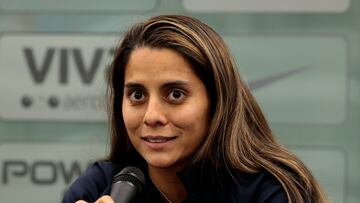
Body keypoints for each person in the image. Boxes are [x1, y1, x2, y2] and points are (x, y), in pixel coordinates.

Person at [62, 15, 327, 203]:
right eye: (137, 94)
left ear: (217, 101)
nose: (152, 115)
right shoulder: (98, 189)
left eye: (175, 94)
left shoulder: (271, 190)